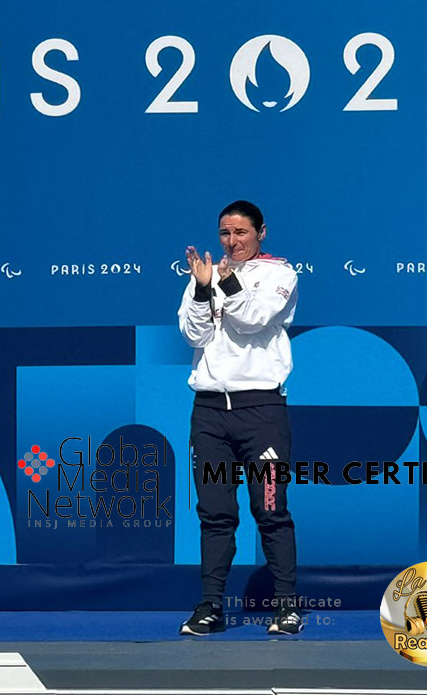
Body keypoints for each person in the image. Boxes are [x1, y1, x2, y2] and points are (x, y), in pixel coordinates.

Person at [177, 200, 303, 636]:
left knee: (270, 508)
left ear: (261, 232)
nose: (233, 242)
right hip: (210, 414)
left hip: (261, 413)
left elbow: (251, 320)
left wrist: (226, 284)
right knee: (214, 514)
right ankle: (210, 607)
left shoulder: (280, 274)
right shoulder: (207, 274)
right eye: (226, 234)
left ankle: (287, 606)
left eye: (241, 233)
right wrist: (200, 288)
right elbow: (192, 334)